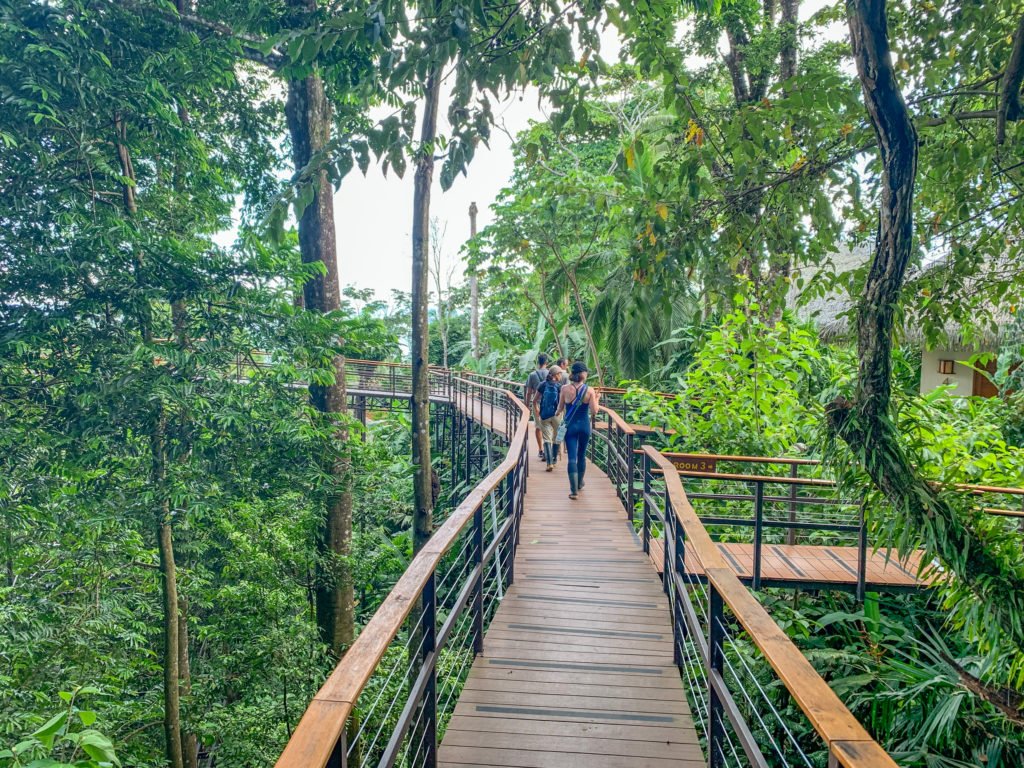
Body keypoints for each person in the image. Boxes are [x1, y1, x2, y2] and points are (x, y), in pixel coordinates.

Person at [557, 361, 600, 499]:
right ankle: (580, 483)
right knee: (581, 455)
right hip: (584, 426)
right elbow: (594, 411)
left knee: (571, 458)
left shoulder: (564, 389)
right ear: (583, 374)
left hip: (570, 427)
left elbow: (559, 409)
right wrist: (597, 399)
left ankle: (574, 491)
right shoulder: (590, 390)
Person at [535, 366, 563, 471]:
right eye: (559, 374)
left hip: (544, 415)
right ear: (555, 375)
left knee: (547, 438)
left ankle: (549, 463)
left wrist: (537, 409)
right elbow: (562, 403)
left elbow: (534, 400)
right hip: (557, 415)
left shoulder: (542, 385)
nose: (560, 376)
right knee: (558, 436)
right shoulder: (560, 386)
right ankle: (554, 459)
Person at [524, 353, 549, 460]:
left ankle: (540, 450)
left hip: (537, 403)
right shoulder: (551, 374)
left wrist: (527, 405)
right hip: (549, 404)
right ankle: (548, 449)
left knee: (538, 427)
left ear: (538, 362)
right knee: (549, 426)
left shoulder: (532, 375)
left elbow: (529, 392)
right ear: (546, 363)